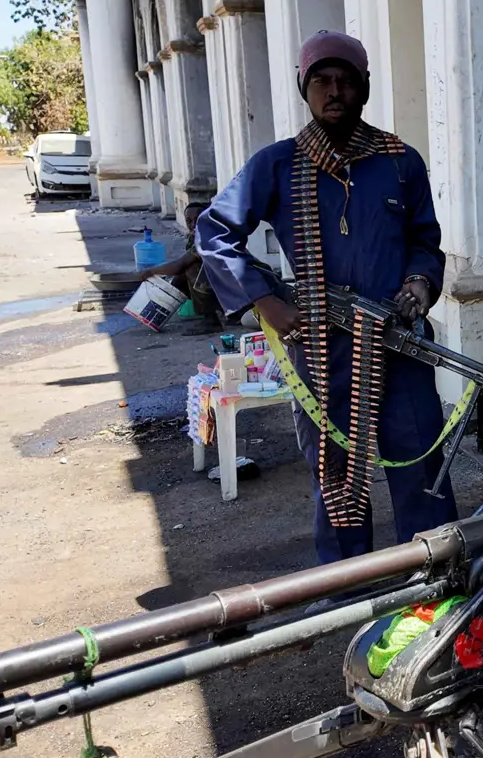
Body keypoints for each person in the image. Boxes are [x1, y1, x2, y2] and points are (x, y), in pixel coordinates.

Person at [196, 30, 458, 564]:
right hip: (321, 351)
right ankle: (345, 589)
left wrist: (420, 284)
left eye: (346, 80)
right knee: (335, 477)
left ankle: (435, 586)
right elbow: (214, 231)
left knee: (420, 470)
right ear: (303, 87)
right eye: (322, 80)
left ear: (364, 88)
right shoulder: (278, 164)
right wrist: (264, 301)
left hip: (398, 344)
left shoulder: (401, 161)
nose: (334, 90)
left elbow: (425, 242)